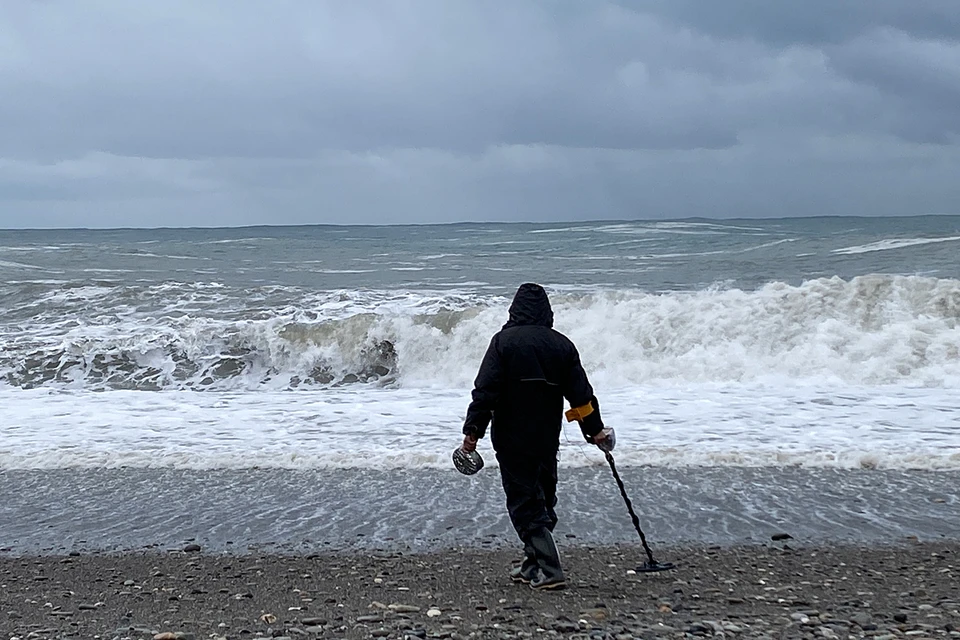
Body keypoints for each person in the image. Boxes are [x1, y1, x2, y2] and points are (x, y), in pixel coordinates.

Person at [460, 283, 614, 590]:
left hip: (511, 437)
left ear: (514, 310)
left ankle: (550, 570)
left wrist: (472, 432)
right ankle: (532, 564)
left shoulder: (503, 342)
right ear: (547, 311)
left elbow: (485, 392)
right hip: (546, 437)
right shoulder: (562, 345)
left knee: (523, 501)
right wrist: (595, 430)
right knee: (543, 496)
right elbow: (581, 398)